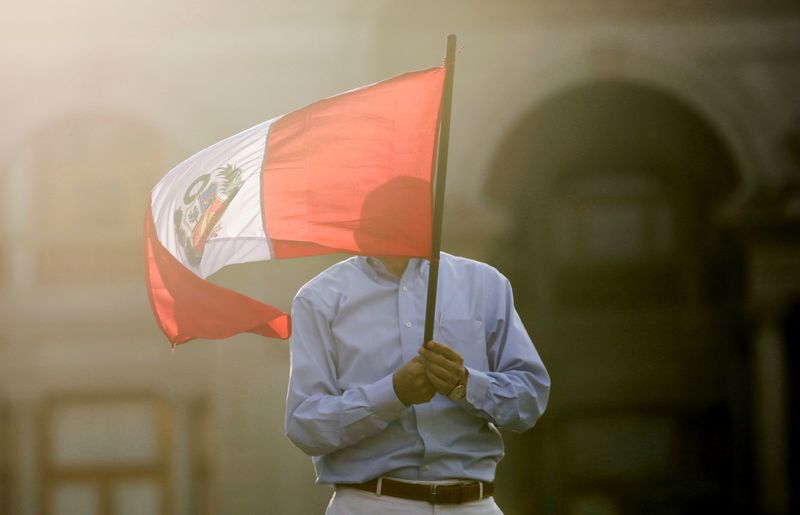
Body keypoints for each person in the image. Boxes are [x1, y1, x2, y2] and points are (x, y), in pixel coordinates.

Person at [285, 247, 550, 514]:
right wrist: (393, 394)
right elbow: (305, 425)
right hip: (370, 505)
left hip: (474, 505)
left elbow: (529, 400)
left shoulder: (485, 283)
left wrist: (466, 384)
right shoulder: (318, 298)